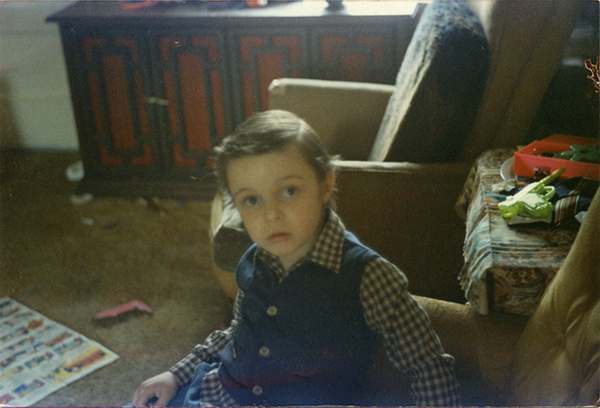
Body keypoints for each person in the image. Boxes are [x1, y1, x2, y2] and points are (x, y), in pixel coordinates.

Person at [132, 110, 461, 407]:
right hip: (222, 395)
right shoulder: (255, 260)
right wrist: (175, 375)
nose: (271, 214)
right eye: (251, 200)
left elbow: (428, 366)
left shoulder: (368, 275)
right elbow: (236, 332)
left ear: (325, 185)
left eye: (289, 191)